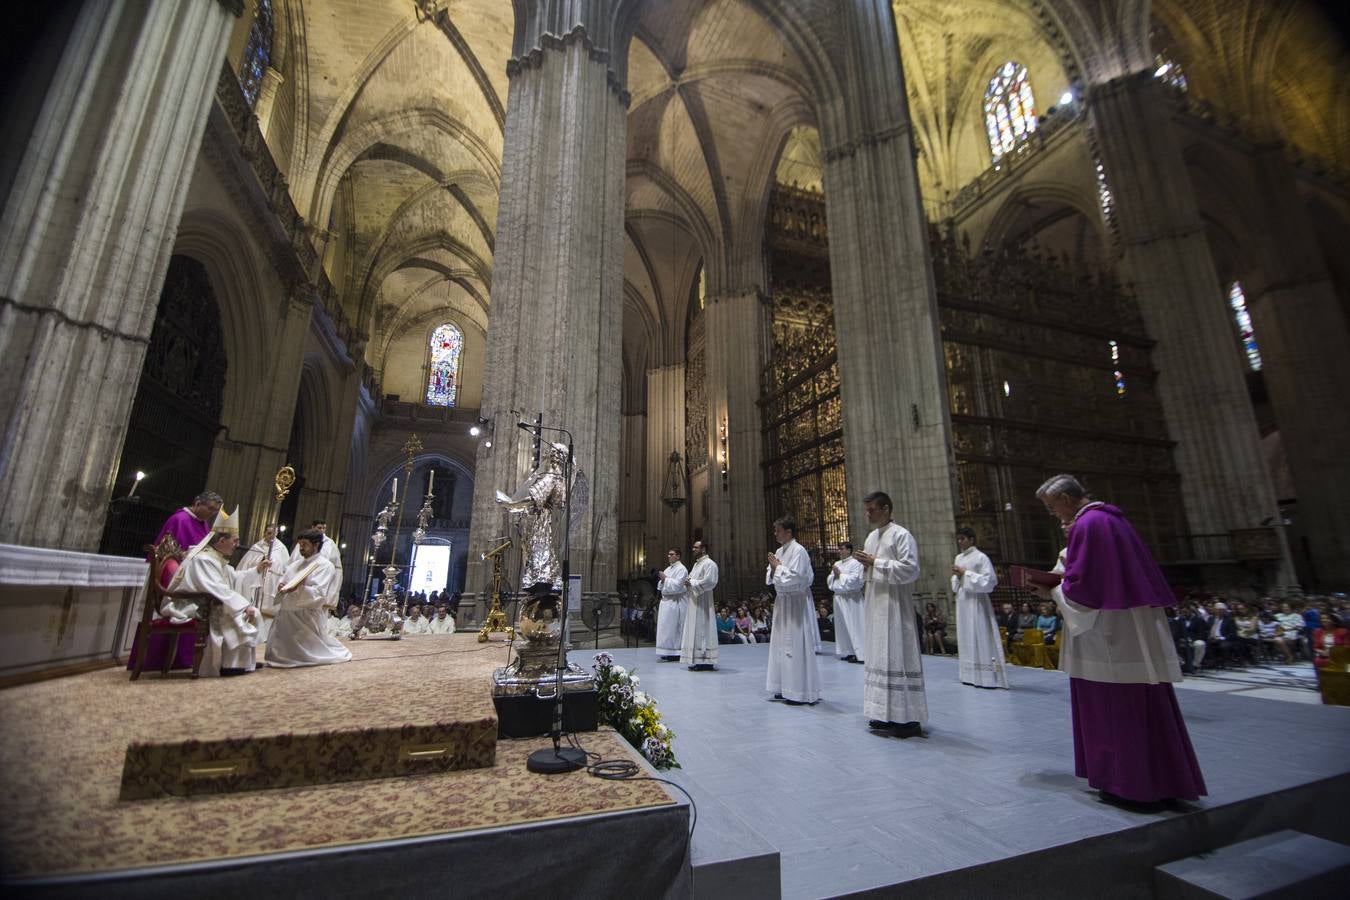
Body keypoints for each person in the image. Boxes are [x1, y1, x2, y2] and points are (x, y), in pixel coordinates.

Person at [1032, 474, 1205, 806]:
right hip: (1126, 627)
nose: (1053, 514)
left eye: (1052, 507)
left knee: (1114, 706)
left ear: (1067, 499)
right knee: (1141, 706)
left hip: (1109, 636)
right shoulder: (1109, 520)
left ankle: (1129, 784)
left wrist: (1051, 588)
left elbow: (1084, 592)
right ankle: (1155, 782)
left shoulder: (1089, 524)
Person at [855, 491, 926, 736]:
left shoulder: (901, 535)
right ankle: (882, 712)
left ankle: (907, 718)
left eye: (872, 509)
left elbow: (911, 570)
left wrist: (876, 563)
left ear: (886, 509)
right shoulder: (871, 537)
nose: (868, 514)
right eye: (867, 510)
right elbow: (868, 569)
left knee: (897, 655)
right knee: (878, 656)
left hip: (895, 607)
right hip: (876, 604)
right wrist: (864, 565)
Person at [163, 506, 264, 676]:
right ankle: (224, 664)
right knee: (240, 613)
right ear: (220, 541)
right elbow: (215, 588)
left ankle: (237, 663)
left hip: (208, 601)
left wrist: (257, 570)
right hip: (193, 604)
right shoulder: (204, 559)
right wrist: (242, 605)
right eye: (234, 540)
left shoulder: (215, 558)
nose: (237, 545)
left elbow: (233, 577)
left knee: (249, 612)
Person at [266, 529, 352, 668]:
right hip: (287, 610)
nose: (301, 548)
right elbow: (284, 581)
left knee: (306, 652)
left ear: (316, 545)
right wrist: (281, 585)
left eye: (304, 544)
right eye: (300, 544)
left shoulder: (324, 565)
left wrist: (299, 588)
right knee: (279, 651)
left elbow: (319, 593)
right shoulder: (295, 565)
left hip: (305, 614)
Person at [765, 516, 820, 705]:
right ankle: (782, 687)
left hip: (795, 604)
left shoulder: (799, 551)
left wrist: (777, 567)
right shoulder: (780, 550)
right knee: (780, 646)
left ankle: (798, 691)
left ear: (788, 532)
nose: (775, 534)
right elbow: (771, 578)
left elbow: (796, 577)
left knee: (795, 645)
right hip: (782, 603)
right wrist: (774, 570)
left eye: (778, 530)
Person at [951, 526, 1007, 688]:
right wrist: (956, 576)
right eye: (958, 538)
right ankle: (969, 674)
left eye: (963, 538)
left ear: (971, 539)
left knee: (980, 633)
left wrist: (966, 574)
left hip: (977, 601)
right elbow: (956, 583)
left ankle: (987, 676)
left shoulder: (981, 557)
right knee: (966, 634)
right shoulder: (958, 558)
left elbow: (990, 581)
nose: (960, 541)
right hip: (963, 600)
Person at [237, 523, 290, 644]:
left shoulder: (281, 549)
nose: (271, 536)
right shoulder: (257, 547)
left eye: (274, 534)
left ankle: (266, 635)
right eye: (269, 533)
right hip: (256, 583)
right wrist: (261, 561)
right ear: (264, 533)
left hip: (271, 584)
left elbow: (285, 568)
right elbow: (247, 565)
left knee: (267, 611)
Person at [681, 540, 720, 670]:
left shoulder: (710, 564)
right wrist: (688, 582)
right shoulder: (697, 564)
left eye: (695, 547)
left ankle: (705, 661)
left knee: (703, 630)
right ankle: (697, 660)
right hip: (694, 601)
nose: (693, 549)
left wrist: (692, 582)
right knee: (695, 630)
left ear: (703, 549)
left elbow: (710, 582)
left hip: (703, 602)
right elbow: (692, 579)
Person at [828, 542, 866, 663]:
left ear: (849, 550)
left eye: (842, 549)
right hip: (839, 597)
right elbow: (830, 579)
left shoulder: (855, 563)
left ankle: (860, 653)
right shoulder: (837, 564)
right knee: (843, 626)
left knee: (854, 625)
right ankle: (849, 651)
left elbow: (857, 580)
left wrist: (840, 575)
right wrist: (834, 576)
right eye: (839, 549)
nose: (840, 551)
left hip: (851, 598)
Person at [656, 548, 689, 661]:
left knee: (674, 628)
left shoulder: (682, 569)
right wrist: (663, 580)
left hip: (675, 602)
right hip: (666, 602)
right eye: (668, 554)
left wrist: (665, 579)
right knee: (665, 628)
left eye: (672, 554)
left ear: (678, 556)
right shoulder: (668, 569)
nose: (669, 556)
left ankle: (676, 652)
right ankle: (667, 651)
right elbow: (660, 586)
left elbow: (678, 587)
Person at [290, 519, 343, 586]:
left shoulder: (330, 543)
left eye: (324, 528)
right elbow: (294, 558)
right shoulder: (303, 541)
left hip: (321, 572)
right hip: (302, 571)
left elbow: (336, 563)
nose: (322, 530)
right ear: (313, 527)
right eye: (319, 528)